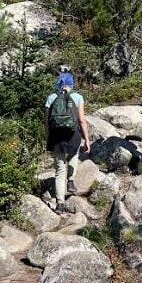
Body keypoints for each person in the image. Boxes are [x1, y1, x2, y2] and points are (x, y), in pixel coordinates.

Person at [44, 69, 91, 213]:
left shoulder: (51, 97)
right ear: (72, 83)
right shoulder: (78, 97)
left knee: (59, 171)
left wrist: (48, 137)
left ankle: (60, 204)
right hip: (73, 135)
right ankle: (70, 181)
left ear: (58, 83)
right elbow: (82, 121)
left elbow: (46, 122)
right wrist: (87, 140)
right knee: (74, 156)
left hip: (57, 138)